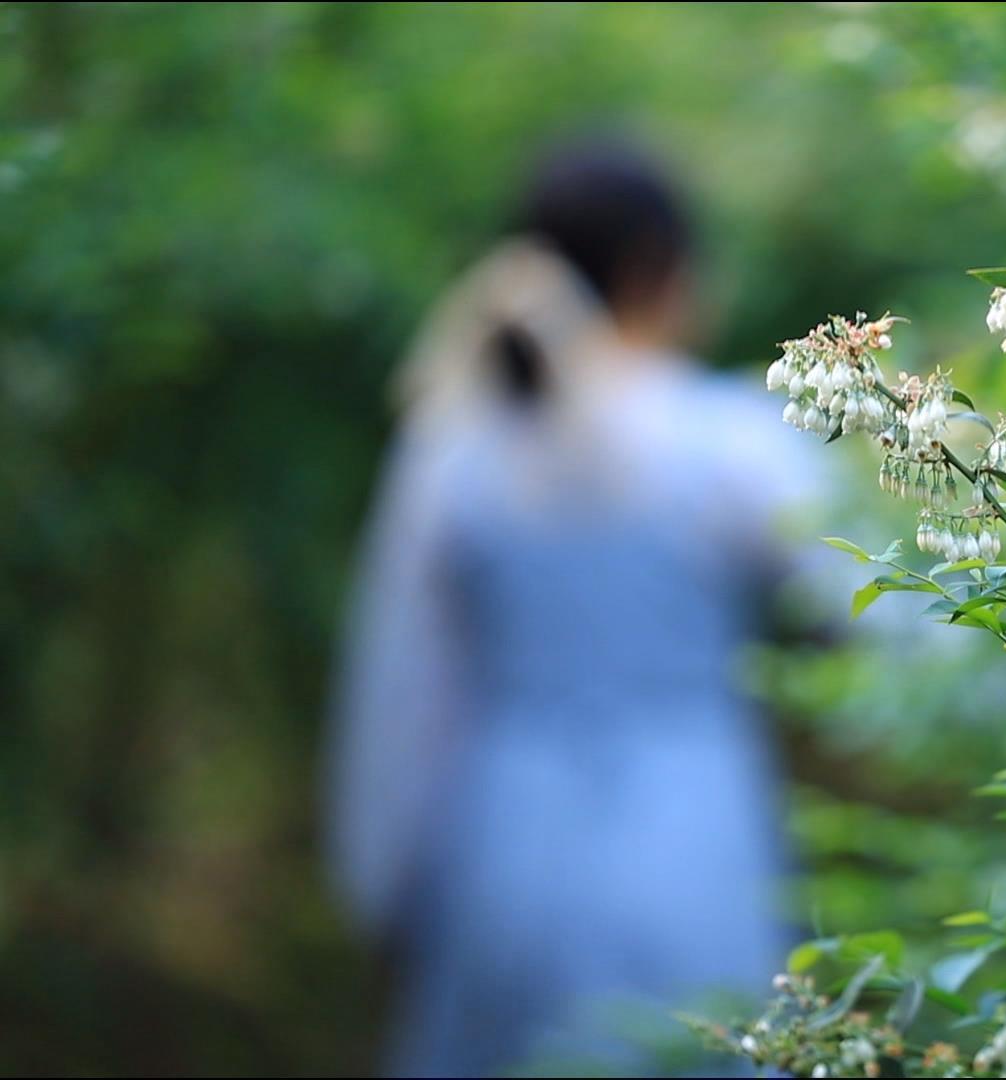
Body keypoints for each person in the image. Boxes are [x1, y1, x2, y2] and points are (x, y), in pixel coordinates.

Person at [325, 138, 815, 1077]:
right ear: (655, 267)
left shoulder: (452, 446)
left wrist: (379, 884)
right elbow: (886, 611)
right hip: (694, 833)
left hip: (503, 845)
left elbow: (400, 687)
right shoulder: (726, 442)